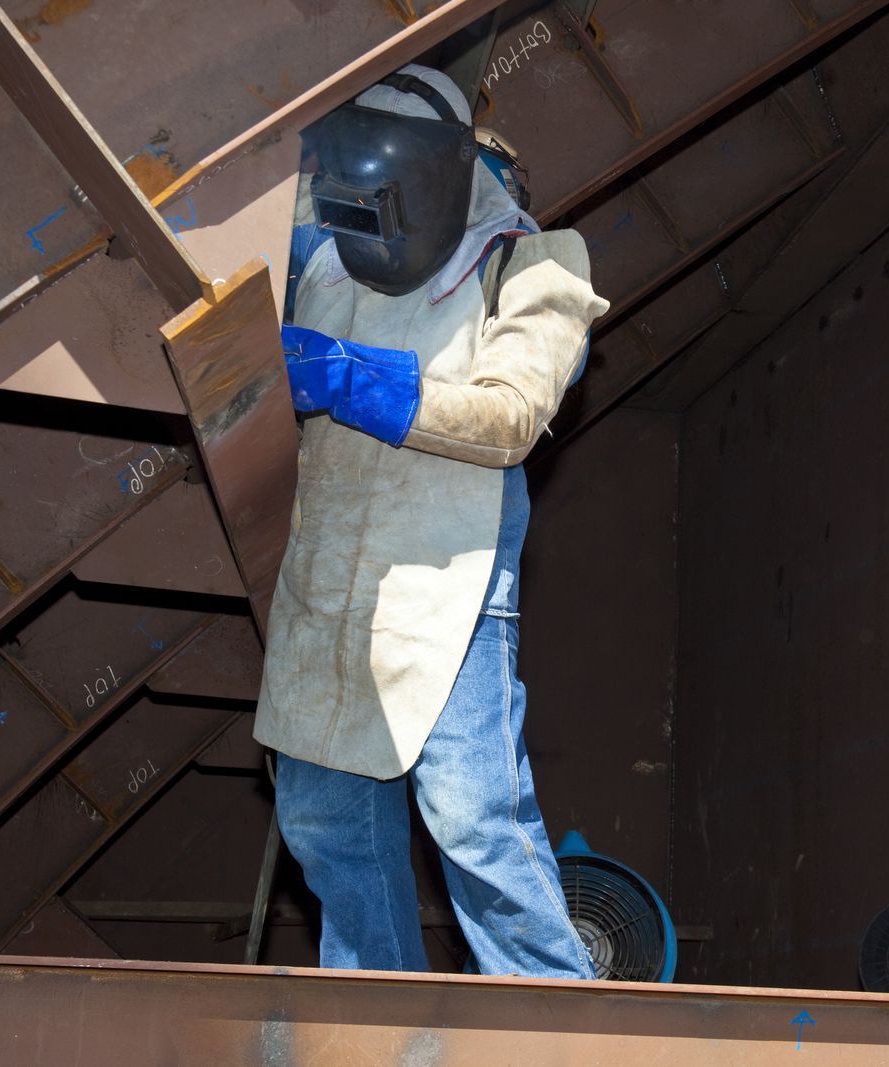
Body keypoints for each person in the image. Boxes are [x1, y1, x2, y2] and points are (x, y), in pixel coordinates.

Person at [253, 64, 608, 979]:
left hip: (447, 576)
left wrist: (358, 379)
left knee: (473, 816)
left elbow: (513, 414)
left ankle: (554, 1016)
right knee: (327, 823)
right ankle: (379, 1022)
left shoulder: (533, 261)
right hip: (329, 579)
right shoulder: (332, 251)